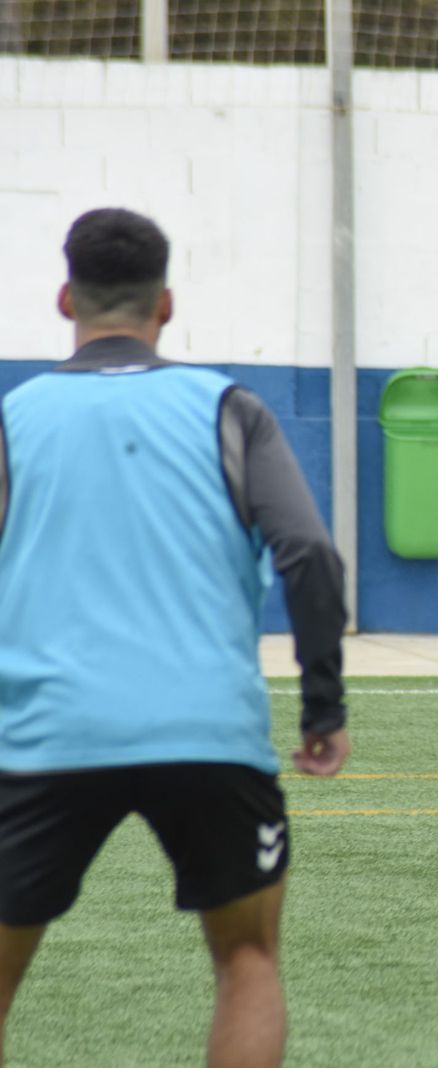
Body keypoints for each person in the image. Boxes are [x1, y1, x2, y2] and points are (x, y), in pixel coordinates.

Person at [0, 208, 350, 1067]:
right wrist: (322, 706)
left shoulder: (16, 418)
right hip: (208, 734)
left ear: (62, 299)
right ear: (165, 305)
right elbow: (307, 552)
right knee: (247, 960)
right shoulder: (231, 411)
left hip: (46, 737)